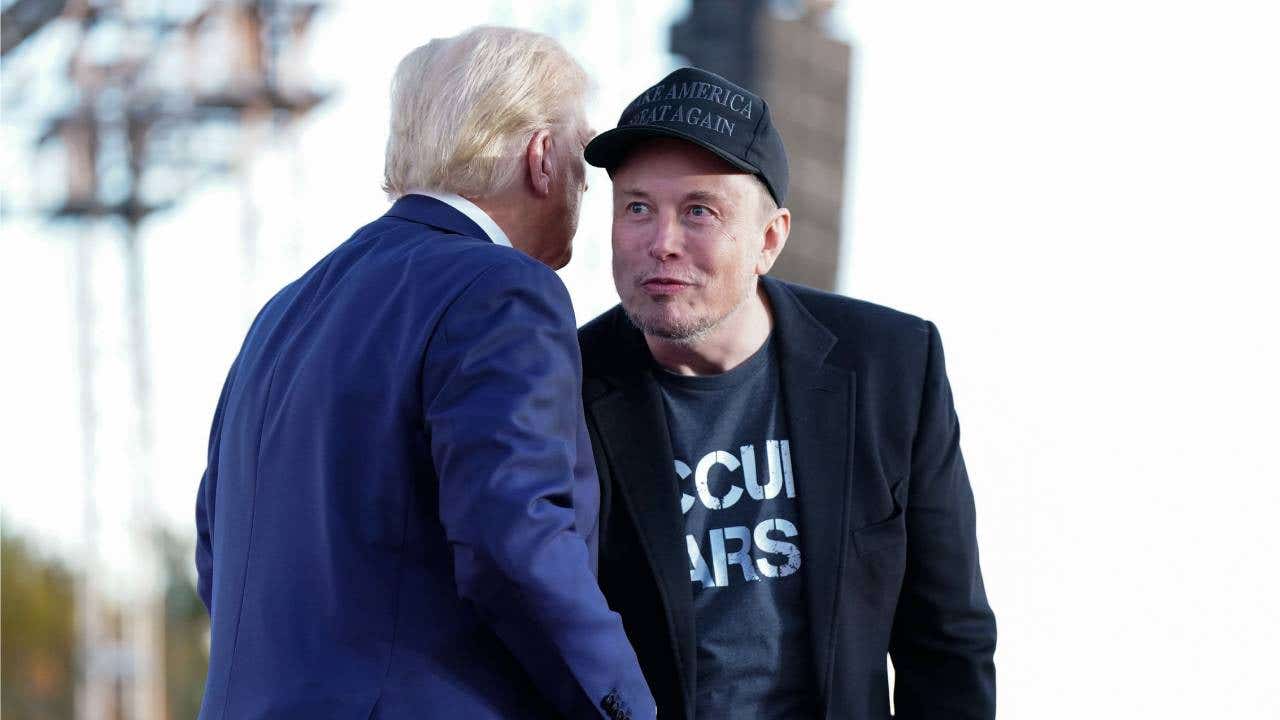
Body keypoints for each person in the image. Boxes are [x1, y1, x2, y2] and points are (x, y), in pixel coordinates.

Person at [194, 27, 654, 720]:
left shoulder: (282, 315)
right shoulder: (502, 290)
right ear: (542, 158)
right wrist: (624, 707)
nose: (583, 193)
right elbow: (516, 539)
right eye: (582, 169)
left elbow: (217, 555)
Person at [577, 67, 997, 720]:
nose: (660, 242)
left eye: (699, 211)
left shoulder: (890, 366)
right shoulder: (564, 384)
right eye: (637, 207)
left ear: (769, 239)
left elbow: (947, 637)